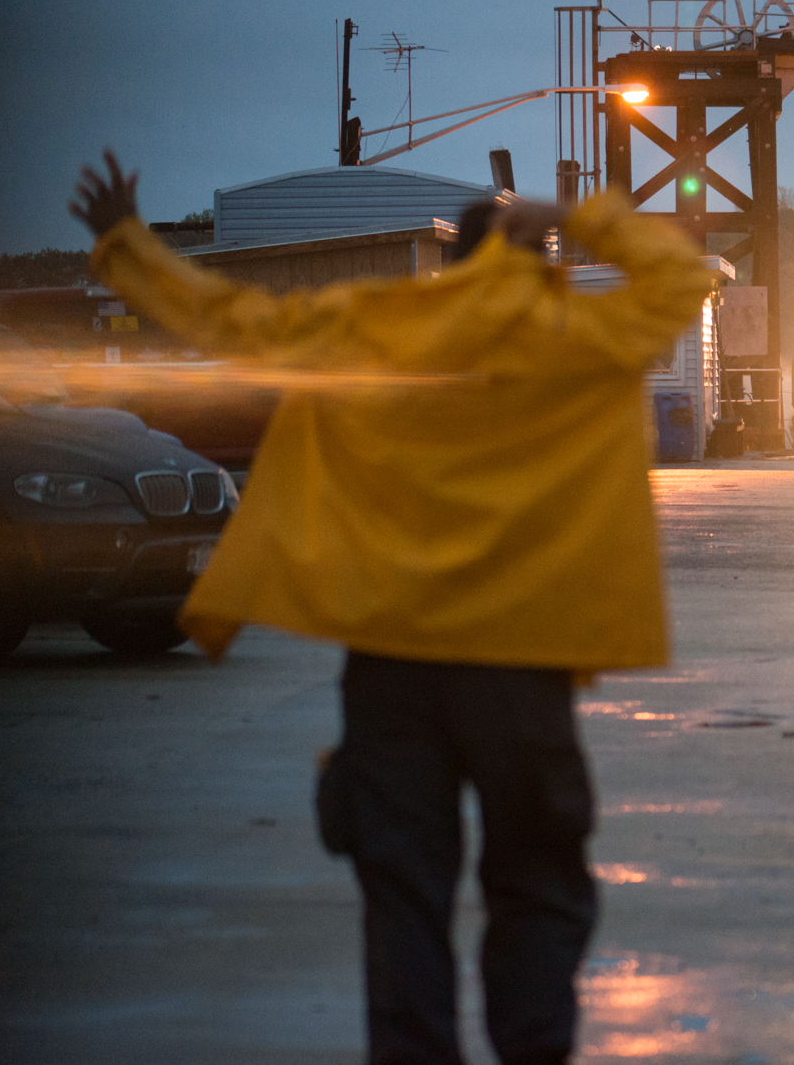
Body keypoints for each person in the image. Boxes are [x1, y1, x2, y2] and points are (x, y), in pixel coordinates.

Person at [70, 151, 713, 1065]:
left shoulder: (376, 325)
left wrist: (126, 246)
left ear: (451, 265)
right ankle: (534, 1048)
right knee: (535, 877)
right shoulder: (584, 332)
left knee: (403, 889)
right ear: (541, 257)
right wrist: (578, 211)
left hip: (393, 665)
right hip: (524, 666)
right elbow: (682, 276)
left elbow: (235, 320)